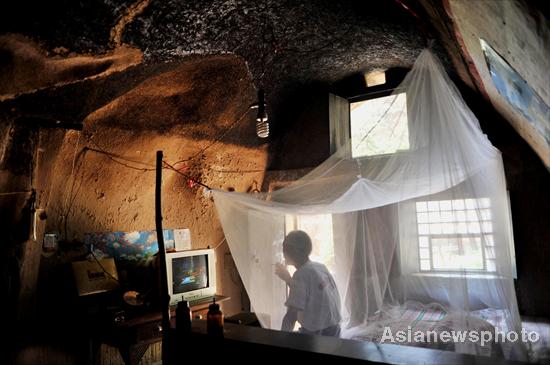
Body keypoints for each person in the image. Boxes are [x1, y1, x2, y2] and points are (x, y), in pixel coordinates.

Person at [275, 230, 341, 337]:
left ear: (292, 252)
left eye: (284, 250)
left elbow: (290, 317)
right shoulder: (319, 267)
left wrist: (279, 342)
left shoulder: (301, 275)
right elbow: (308, 295)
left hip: (318, 335)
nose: (283, 254)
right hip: (334, 330)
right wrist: (288, 279)